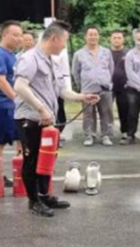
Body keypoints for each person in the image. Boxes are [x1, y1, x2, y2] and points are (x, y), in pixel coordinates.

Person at [14, 21, 99, 218]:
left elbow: (61, 90)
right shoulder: (30, 58)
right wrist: (41, 108)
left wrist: (82, 97)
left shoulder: (52, 60)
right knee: (32, 160)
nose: (64, 46)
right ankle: (34, 201)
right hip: (30, 120)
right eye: (64, 41)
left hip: (46, 120)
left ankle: (45, 196)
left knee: (47, 158)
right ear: (53, 38)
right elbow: (19, 86)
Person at [71, 26, 115, 146]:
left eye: (95, 34)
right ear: (85, 37)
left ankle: (106, 135)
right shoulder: (79, 54)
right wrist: (81, 86)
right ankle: (89, 135)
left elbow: (111, 69)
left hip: (104, 88)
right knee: (88, 114)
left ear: (98, 36)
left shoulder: (106, 52)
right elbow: (75, 72)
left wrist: (107, 81)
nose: (93, 37)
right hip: (87, 89)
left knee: (107, 112)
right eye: (90, 34)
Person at [0, 22, 22, 168]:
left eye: (20, 35)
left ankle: (21, 174)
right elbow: (0, 80)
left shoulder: (12, 55)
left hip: (13, 106)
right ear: (4, 35)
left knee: (21, 139)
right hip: (2, 105)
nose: (19, 39)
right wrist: (17, 98)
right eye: (15, 35)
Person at [109, 30, 130, 143]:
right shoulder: (106, 53)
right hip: (108, 86)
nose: (117, 40)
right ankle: (107, 132)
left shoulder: (128, 53)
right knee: (107, 110)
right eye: (114, 38)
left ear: (123, 39)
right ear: (110, 39)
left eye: (119, 38)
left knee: (124, 109)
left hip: (124, 86)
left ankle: (125, 131)